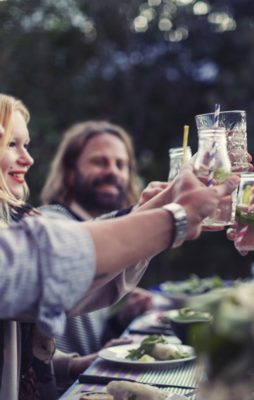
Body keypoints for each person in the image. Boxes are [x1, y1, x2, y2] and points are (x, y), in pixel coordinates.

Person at [0, 94, 239, 398]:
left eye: (26, 144)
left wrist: (157, 210)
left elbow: (71, 288)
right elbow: (48, 270)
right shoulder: (41, 224)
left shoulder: (15, 221)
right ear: (70, 170)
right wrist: (171, 218)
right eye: (10, 143)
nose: (28, 158)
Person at [38, 121, 154, 385]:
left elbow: (91, 342)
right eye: (100, 162)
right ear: (69, 173)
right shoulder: (50, 221)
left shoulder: (109, 233)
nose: (112, 172)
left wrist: (119, 319)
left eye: (120, 165)